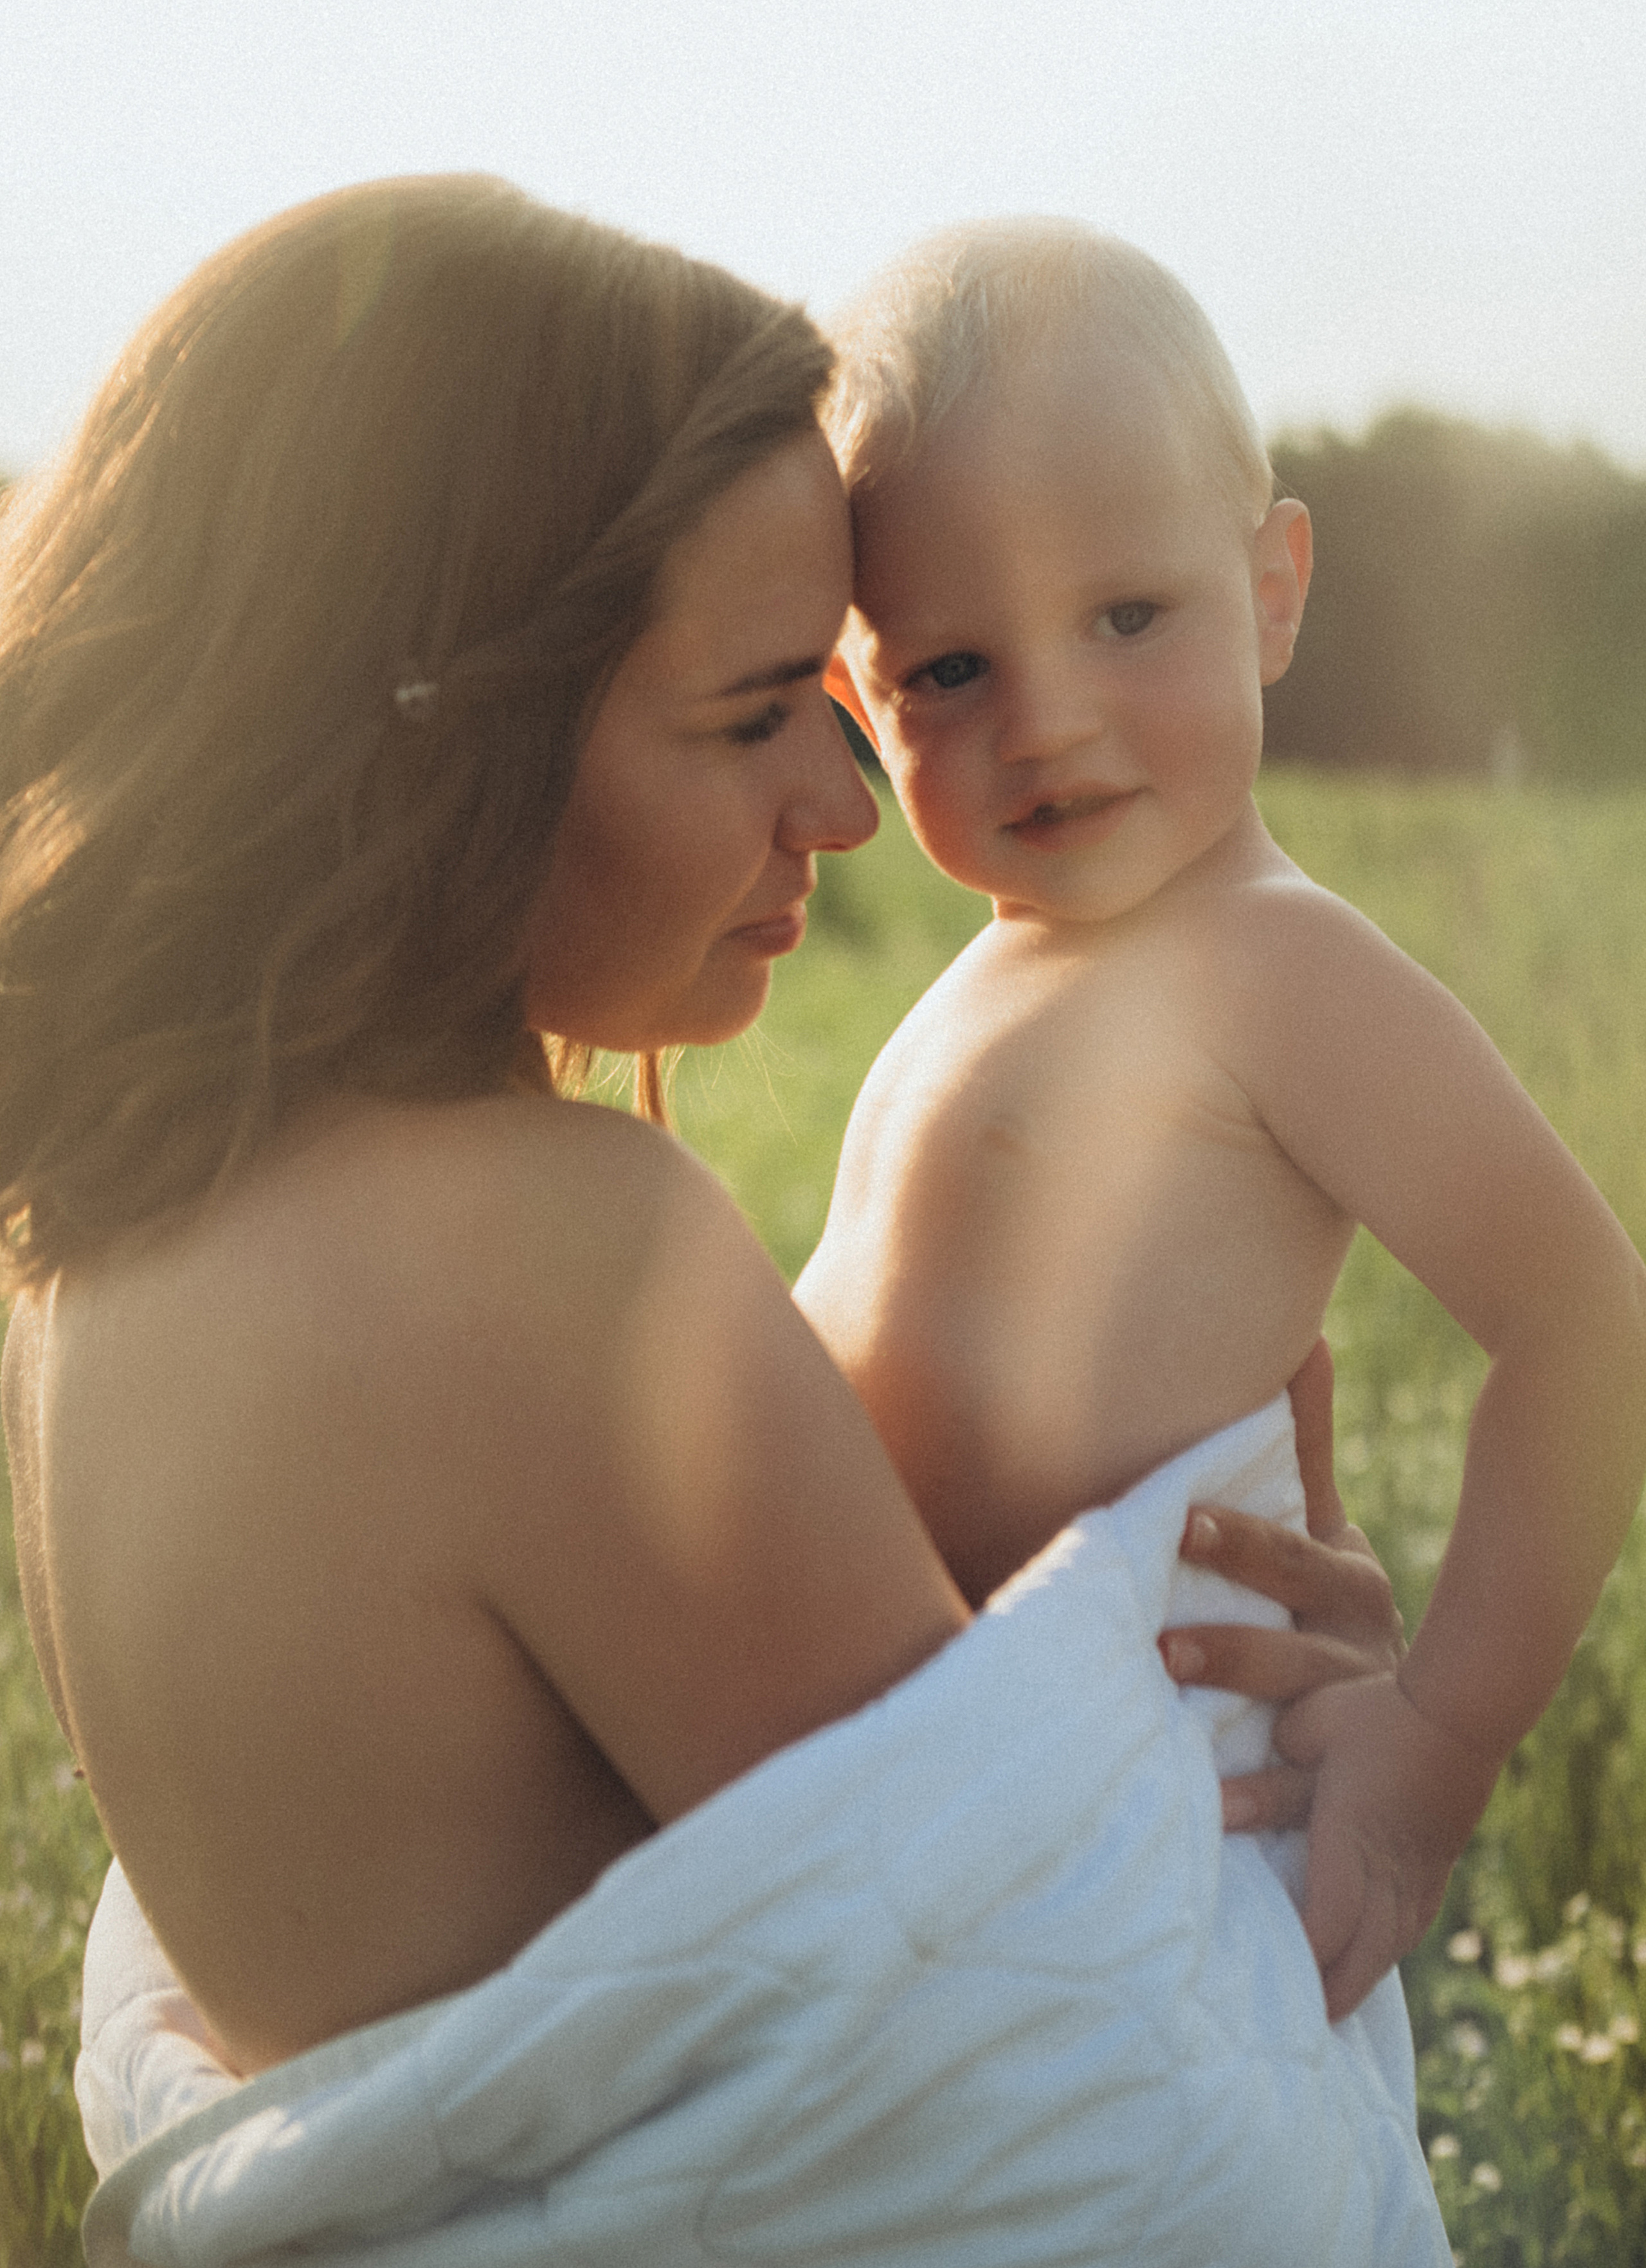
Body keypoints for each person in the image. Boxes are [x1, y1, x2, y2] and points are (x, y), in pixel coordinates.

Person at [0, 179, 1441, 2264]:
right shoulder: (550, 1251)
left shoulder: (90, 1249)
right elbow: (1088, 2092)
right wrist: (1252, 1726)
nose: (849, 811)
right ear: (451, 729)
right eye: (757, 708)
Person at [804, 219, 1646, 2024]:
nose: (1051, 720)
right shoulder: (996, 981)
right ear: (855, 698)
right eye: (950, 670)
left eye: (1128, 617)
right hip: (935, 1802)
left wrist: (1441, 1740)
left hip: (1155, 1824)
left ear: (1272, 589)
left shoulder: (1274, 966)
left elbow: (1588, 1321)